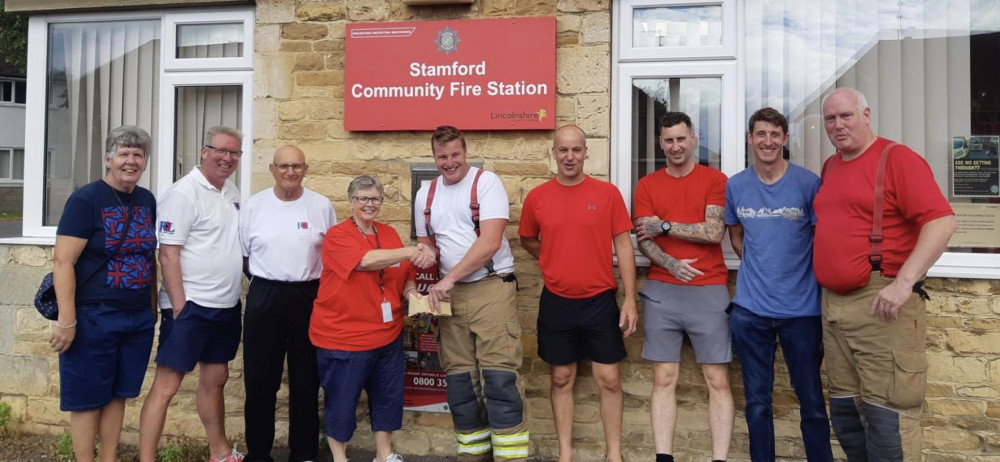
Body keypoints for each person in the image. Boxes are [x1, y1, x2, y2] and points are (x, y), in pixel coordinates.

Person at [815, 88, 956, 461]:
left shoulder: (897, 159)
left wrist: (904, 282)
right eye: (830, 118)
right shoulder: (831, 165)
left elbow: (941, 222)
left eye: (846, 116)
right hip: (834, 306)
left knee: (889, 416)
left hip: (880, 302)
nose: (838, 125)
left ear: (866, 114)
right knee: (847, 414)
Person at [518, 125, 638, 462]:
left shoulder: (607, 194)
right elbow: (527, 238)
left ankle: (614, 456)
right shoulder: (537, 198)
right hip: (557, 301)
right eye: (563, 150)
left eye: (576, 150)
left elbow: (623, 245)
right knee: (561, 377)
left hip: (599, 300)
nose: (569, 157)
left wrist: (630, 298)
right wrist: (552, 257)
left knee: (609, 379)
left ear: (586, 153)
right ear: (554, 154)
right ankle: (565, 455)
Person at [414, 125, 529, 461]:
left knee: (500, 380)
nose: (450, 162)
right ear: (434, 157)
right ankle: (473, 456)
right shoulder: (427, 194)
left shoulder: (486, 182)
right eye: (442, 157)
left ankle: (510, 458)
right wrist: (426, 254)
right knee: (460, 384)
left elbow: (490, 242)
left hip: (490, 288)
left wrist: (447, 280)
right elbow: (427, 242)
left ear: (465, 152)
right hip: (450, 296)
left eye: (455, 155)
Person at [724, 108, 833, 462]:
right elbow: (737, 238)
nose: (767, 141)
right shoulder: (737, 185)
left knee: (812, 401)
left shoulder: (807, 183)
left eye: (775, 134)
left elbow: (819, 240)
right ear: (750, 139)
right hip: (750, 312)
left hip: (801, 312)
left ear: (785, 139)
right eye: (760, 134)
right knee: (757, 403)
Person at [49, 126, 157, 462]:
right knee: (86, 398)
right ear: (108, 159)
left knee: (118, 394)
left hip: (137, 317)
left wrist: (152, 310)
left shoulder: (147, 199)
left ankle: (108, 458)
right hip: (94, 315)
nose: (131, 161)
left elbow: (148, 257)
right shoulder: (86, 199)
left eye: (138, 155)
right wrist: (67, 321)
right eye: (124, 154)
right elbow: (63, 260)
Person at [139, 126, 246, 462]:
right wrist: (181, 307)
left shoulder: (231, 192)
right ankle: (146, 458)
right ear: (204, 151)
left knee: (216, 379)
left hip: (225, 305)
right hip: (190, 308)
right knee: (167, 386)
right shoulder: (183, 193)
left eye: (234, 153)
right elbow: (168, 254)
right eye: (221, 151)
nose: (227, 159)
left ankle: (220, 452)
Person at [310, 175, 435, 462]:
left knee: (388, 398)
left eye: (375, 199)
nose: (370, 204)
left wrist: (414, 295)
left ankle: (384, 455)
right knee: (341, 402)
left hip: (387, 335)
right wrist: (413, 250)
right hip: (344, 338)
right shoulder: (337, 235)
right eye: (363, 198)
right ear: (351, 202)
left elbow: (405, 277)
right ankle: (340, 458)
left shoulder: (389, 233)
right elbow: (365, 261)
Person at [633, 112, 734, 462]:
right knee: (663, 378)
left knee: (717, 380)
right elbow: (643, 239)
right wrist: (673, 263)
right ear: (660, 143)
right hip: (663, 289)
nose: (675, 146)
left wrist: (663, 225)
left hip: (710, 288)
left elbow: (713, 232)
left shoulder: (715, 179)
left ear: (693, 138)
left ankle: (718, 459)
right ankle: (664, 457)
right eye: (668, 140)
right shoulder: (647, 185)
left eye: (681, 138)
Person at [239, 146, 337, 462]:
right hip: (264, 295)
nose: (290, 172)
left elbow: (331, 255)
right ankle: (258, 453)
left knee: (306, 380)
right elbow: (244, 256)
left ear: (306, 169)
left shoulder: (321, 206)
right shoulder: (254, 206)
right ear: (272, 169)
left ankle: (304, 453)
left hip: (308, 296)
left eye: (296, 166)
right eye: (284, 166)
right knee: (259, 380)